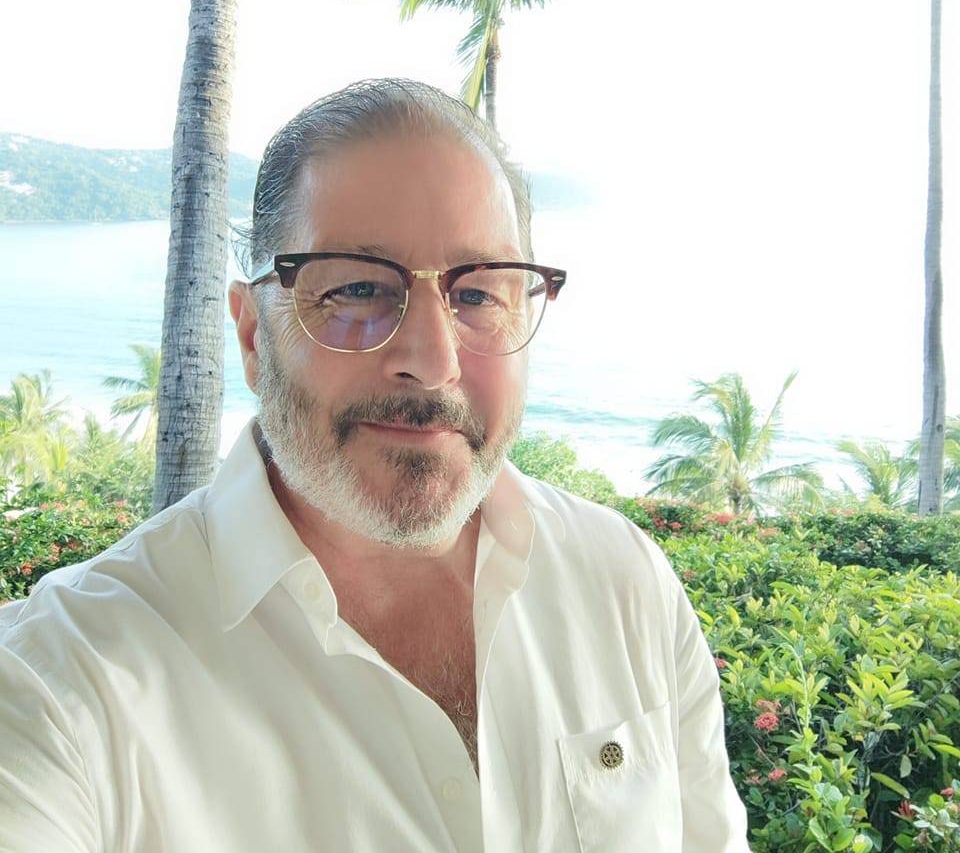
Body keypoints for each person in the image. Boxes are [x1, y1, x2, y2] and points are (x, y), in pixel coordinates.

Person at [0, 79, 751, 852]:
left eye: (478, 295)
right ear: (254, 336)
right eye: (358, 288)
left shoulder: (623, 582)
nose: (432, 360)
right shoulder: (62, 685)